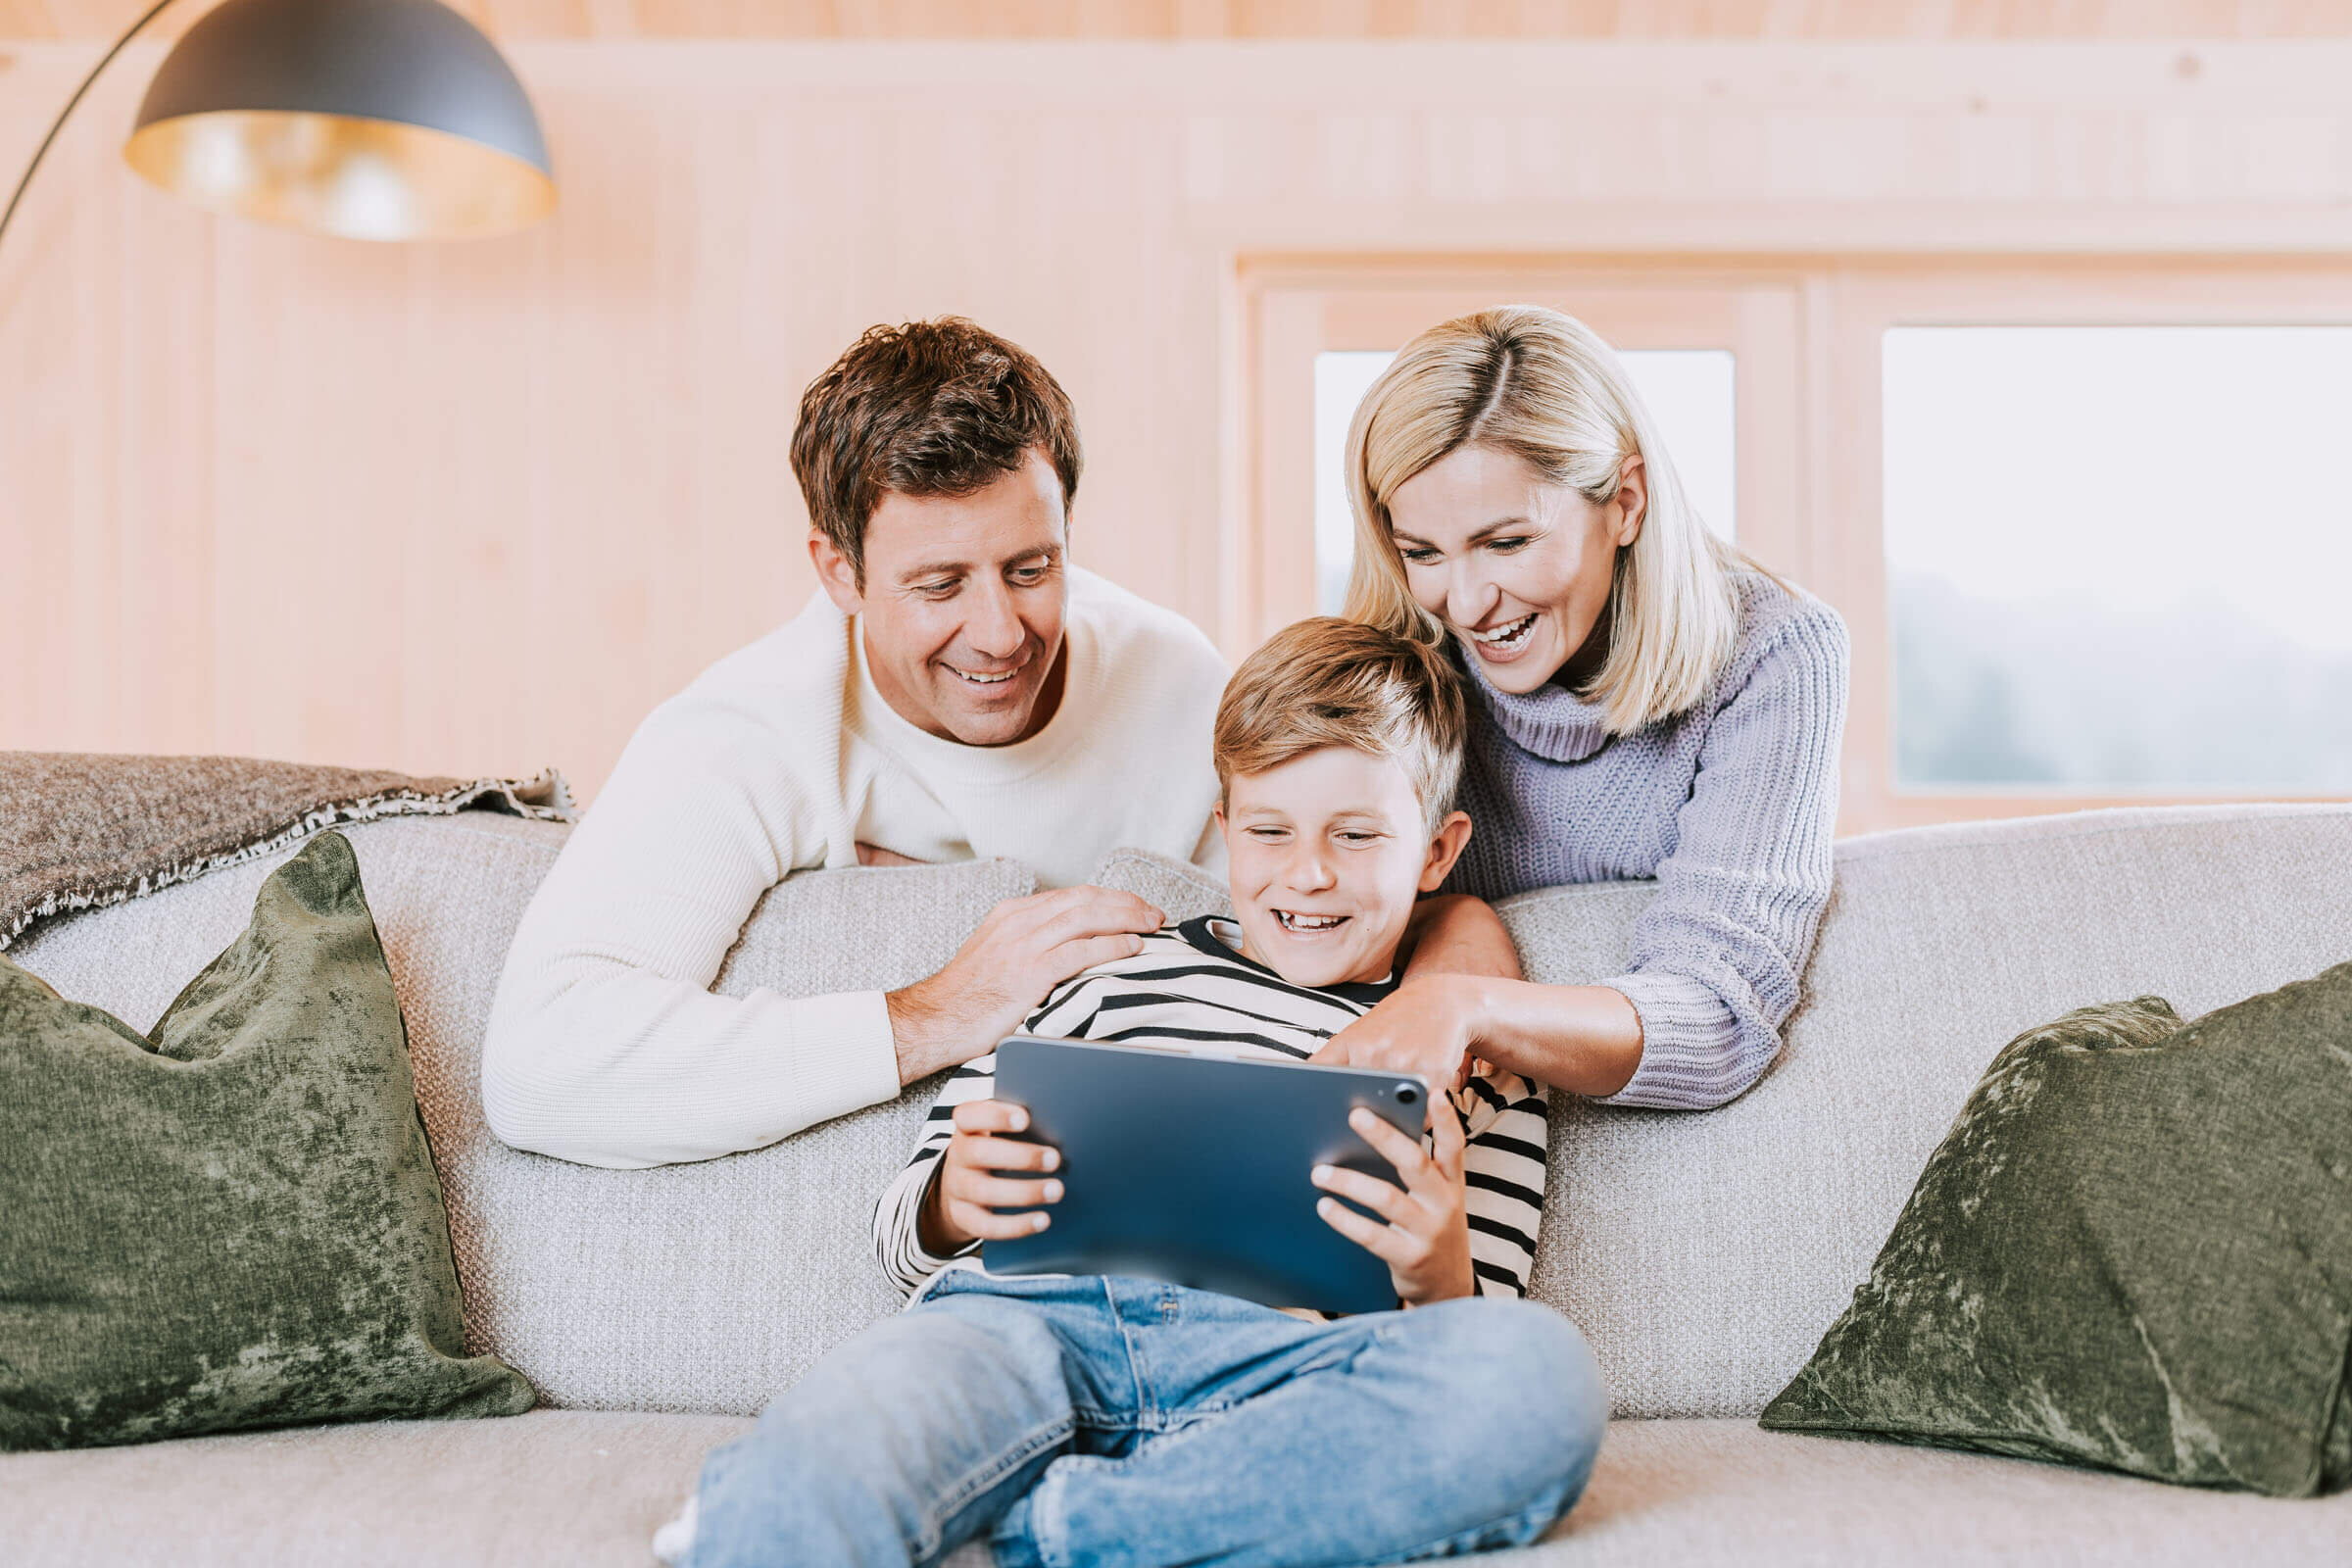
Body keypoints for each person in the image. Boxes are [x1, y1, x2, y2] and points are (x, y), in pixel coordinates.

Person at [656, 617, 1606, 1568]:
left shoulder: (1474, 1046)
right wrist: (953, 1197)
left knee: (1535, 1376)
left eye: (1356, 836)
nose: (1308, 872)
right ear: (1225, 829)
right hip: (1026, 1325)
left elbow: (1459, 1340)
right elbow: (906, 1236)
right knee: (846, 1429)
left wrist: (1436, 1267)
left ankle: (1057, 1533)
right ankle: (783, 1508)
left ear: (1438, 853)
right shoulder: (1110, 971)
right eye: (1270, 831)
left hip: (1279, 1372)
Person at [482, 318, 1230, 1167]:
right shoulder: (747, 733)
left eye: (1032, 570)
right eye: (939, 584)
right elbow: (541, 1068)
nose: (999, 634)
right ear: (839, 571)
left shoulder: (1177, 685)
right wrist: (942, 1007)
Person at [1318, 304, 1850, 1112]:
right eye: (1422, 552)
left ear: (1626, 501)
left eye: (1506, 543)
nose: (1463, 603)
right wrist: (1458, 920)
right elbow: (1301, 909)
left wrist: (1468, 1002)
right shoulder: (1396, 657)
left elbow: (1717, 1020)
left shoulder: (1774, 655)